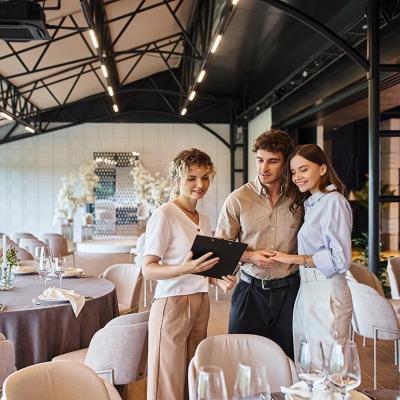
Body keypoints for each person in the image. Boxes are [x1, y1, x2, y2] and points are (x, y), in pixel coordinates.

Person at [143, 148, 235, 400]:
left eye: (205, 177)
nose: (200, 184)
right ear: (177, 180)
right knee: (168, 382)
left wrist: (218, 279)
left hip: (201, 302)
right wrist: (186, 268)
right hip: (172, 303)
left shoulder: (203, 219)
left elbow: (199, 266)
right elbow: (148, 268)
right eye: (191, 178)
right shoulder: (164, 215)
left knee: (193, 376)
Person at [215, 129, 302, 360]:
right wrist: (249, 256)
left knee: (287, 362)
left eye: (273, 161)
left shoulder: (300, 198)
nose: (264, 168)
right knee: (243, 360)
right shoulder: (238, 199)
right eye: (260, 160)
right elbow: (222, 245)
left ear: (285, 163)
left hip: (291, 293)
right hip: (249, 293)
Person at [270, 144, 353, 357]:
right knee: (306, 359)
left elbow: (339, 260)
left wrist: (290, 258)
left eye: (304, 169)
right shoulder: (313, 203)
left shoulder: (334, 202)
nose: (297, 176)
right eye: (294, 171)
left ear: (323, 169)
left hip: (326, 289)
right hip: (307, 289)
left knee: (327, 363)